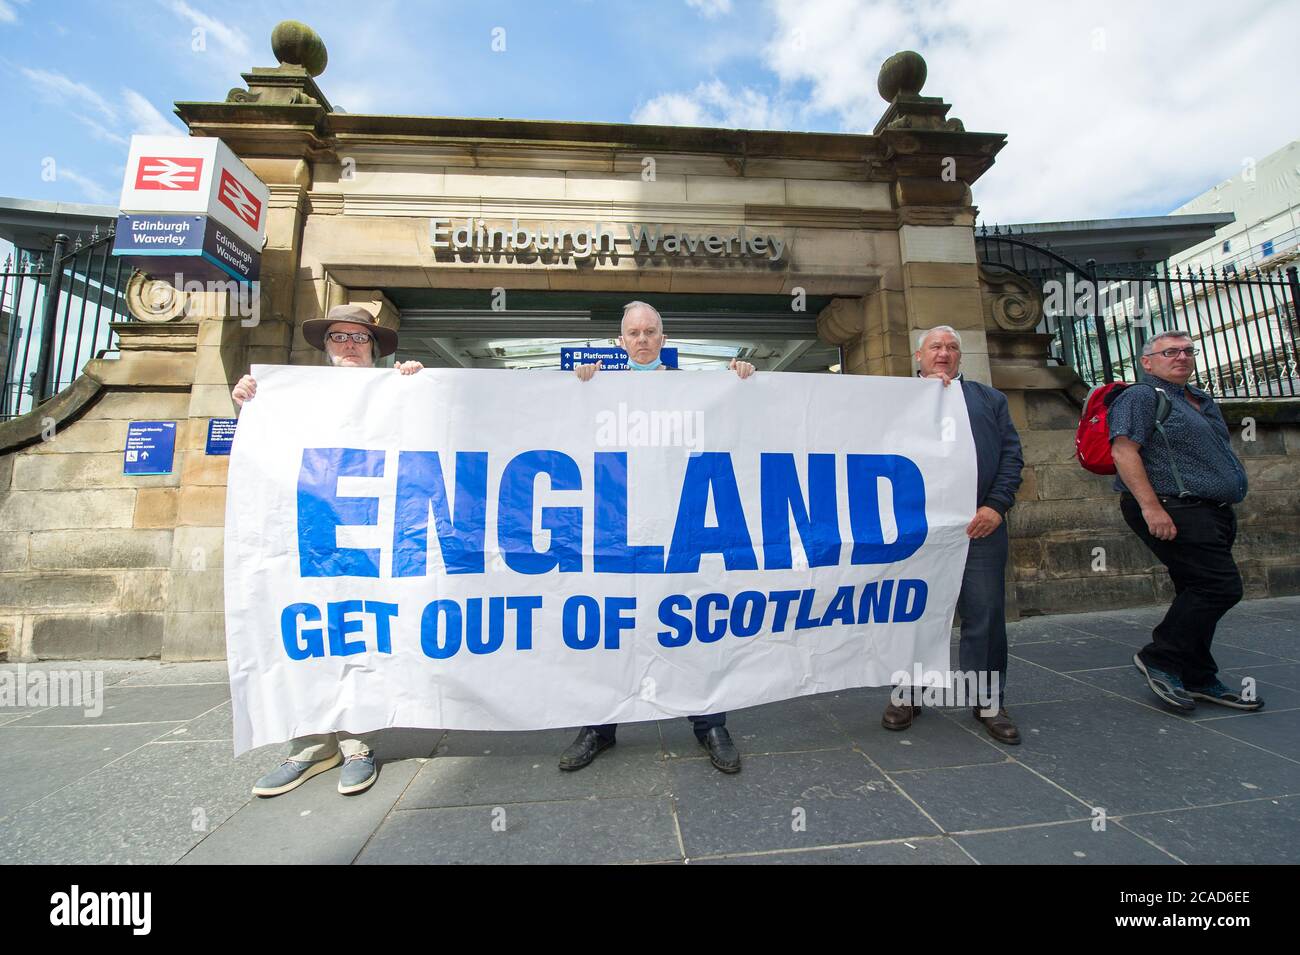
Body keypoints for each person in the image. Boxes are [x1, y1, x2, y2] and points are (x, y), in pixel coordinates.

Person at [232, 303, 425, 796]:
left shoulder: (399, 388)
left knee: (362, 629)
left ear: (375, 347)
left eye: (358, 337)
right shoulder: (292, 396)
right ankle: (313, 745)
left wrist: (420, 387)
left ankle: (358, 742)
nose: (348, 345)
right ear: (325, 346)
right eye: (338, 337)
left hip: (376, 535)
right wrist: (251, 401)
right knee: (307, 629)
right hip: (310, 534)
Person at [560, 301, 755, 774]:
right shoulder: (596, 388)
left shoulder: (693, 388)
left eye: (651, 332)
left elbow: (738, 425)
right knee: (611, 631)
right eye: (634, 332)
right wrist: (579, 389)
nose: (643, 339)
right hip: (615, 532)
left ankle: (710, 724)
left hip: (679, 530)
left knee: (691, 627)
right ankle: (599, 727)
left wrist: (740, 378)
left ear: (663, 340)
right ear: (621, 341)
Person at [880, 325, 1025, 744]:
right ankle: (908, 693)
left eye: (951, 347)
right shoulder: (892, 401)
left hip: (978, 527)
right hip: (915, 532)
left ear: (960, 357)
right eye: (935, 347)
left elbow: (1012, 457)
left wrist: (996, 506)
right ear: (918, 356)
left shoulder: (988, 399)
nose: (943, 353)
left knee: (985, 614)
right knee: (912, 613)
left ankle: (987, 700)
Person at [1108, 330, 1262, 713]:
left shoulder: (1200, 400)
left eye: (1188, 351)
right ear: (1148, 362)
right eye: (1170, 352)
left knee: (1195, 589)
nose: (1181, 357)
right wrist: (1151, 507)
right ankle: (1161, 656)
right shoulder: (1142, 396)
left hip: (1212, 510)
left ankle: (1197, 676)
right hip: (1172, 506)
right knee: (1219, 587)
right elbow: (1124, 451)